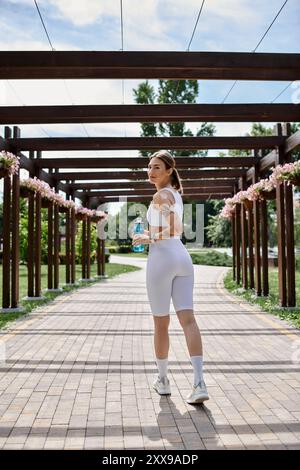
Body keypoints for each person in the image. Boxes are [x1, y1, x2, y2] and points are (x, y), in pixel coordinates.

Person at [132, 150, 209, 404]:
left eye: (156, 167)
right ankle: (199, 383)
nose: (150, 171)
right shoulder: (175, 194)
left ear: (168, 171)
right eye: (149, 167)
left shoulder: (161, 194)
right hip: (183, 259)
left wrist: (148, 237)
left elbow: (176, 228)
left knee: (160, 323)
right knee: (188, 320)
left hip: (162, 259)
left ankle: (163, 381)